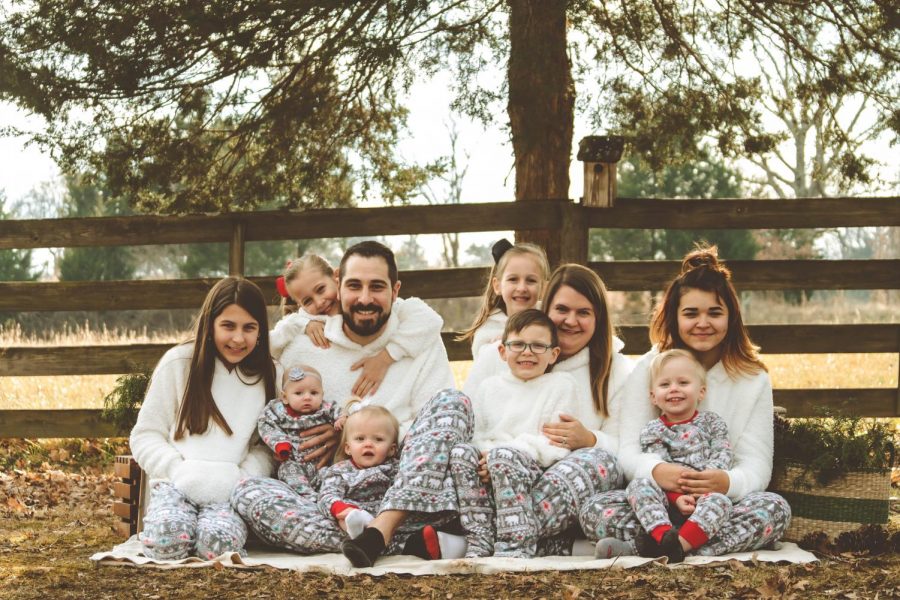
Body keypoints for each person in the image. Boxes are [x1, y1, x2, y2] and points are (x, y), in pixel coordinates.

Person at [231, 240, 491, 566]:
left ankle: (382, 529)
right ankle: (404, 540)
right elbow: (280, 412)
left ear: (395, 291)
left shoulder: (416, 337)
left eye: (377, 287)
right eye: (354, 286)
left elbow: (433, 428)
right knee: (248, 493)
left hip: (407, 479)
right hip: (333, 496)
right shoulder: (306, 343)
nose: (365, 299)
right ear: (338, 282)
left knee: (454, 402)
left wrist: (365, 432)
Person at [579, 246, 791, 558]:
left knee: (774, 509)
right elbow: (629, 452)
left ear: (731, 317)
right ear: (674, 317)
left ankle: (654, 549)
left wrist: (726, 482)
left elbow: (757, 464)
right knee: (594, 509)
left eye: (714, 313)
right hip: (658, 504)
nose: (702, 323)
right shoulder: (651, 368)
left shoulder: (752, 377)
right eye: (691, 313)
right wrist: (657, 471)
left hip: (719, 505)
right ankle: (682, 544)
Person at [459, 263, 634, 555]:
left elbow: (627, 449)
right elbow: (472, 421)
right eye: (562, 309)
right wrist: (490, 458)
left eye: (584, 313)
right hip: (499, 476)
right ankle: (548, 544)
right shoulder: (498, 355)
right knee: (460, 451)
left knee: (596, 460)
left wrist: (590, 440)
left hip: (564, 485)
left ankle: (500, 537)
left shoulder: (616, 370)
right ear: (546, 307)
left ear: (598, 318)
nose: (570, 321)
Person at [130, 277, 278, 560]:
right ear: (210, 325)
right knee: (165, 544)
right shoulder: (179, 364)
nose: (238, 338)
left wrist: (242, 478)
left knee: (218, 549)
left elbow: (266, 446)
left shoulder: (271, 375)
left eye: (249, 328)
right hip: (176, 485)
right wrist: (177, 471)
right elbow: (145, 435)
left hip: (231, 492)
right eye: (228, 326)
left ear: (261, 331)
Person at [594, 349, 733, 562]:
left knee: (721, 502)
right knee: (638, 485)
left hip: (705, 498)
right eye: (665, 385)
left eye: (683, 383)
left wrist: (700, 487)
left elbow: (723, 455)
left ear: (701, 392)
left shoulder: (713, 423)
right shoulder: (653, 430)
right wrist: (676, 498)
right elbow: (657, 466)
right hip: (664, 506)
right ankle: (666, 537)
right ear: (653, 397)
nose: (674, 389)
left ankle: (661, 547)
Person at [466, 309, 579, 557]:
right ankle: (480, 535)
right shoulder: (489, 388)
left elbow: (555, 442)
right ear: (503, 351)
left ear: (553, 354)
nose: (527, 352)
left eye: (538, 346)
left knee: (504, 457)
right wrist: (485, 456)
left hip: (535, 470)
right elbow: (476, 433)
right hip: (487, 468)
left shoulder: (560, 384)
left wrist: (504, 454)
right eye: (518, 344)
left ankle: (515, 544)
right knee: (461, 454)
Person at [270, 254, 444, 399]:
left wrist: (385, 357)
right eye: (307, 301)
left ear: (336, 278)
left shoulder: (374, 308)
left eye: (321, 289)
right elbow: (273, 342)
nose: (320, 302)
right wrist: (303, 323)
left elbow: (429, 319)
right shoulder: (305, 320)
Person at [319, 401, 468, 560]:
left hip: (402, 522)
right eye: (360, 439)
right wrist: (343, 509)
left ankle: (430, 542)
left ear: (392, 449)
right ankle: (371, 534)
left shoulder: (396, 467)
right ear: (348, 448)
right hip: (359, 513)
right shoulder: (340, 470)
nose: (368, 444)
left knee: (426, 512)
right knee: (342, 523)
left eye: (378, 439)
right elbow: (327, 494)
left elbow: (411, 486)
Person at [257, 364, 340, 497]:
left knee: (335, 475)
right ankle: (309, 498)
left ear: (322, 395)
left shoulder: (325, 408)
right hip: (292, 461)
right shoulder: (277, 410)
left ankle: (329, 498)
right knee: (288, 472)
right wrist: (280, 444)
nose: (307, 397)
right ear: (284, 397)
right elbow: (266, 425)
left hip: (321, 464)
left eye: (314, 393)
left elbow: (339, 412)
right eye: (298, 393)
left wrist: (341, 420)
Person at [457, 239, 550, 358]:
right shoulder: (488, 333)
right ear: (497, 286)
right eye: (513, 279)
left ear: (543, 287)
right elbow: (484, 368)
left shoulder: (551, 322)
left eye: (531, 280)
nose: (522, 288)